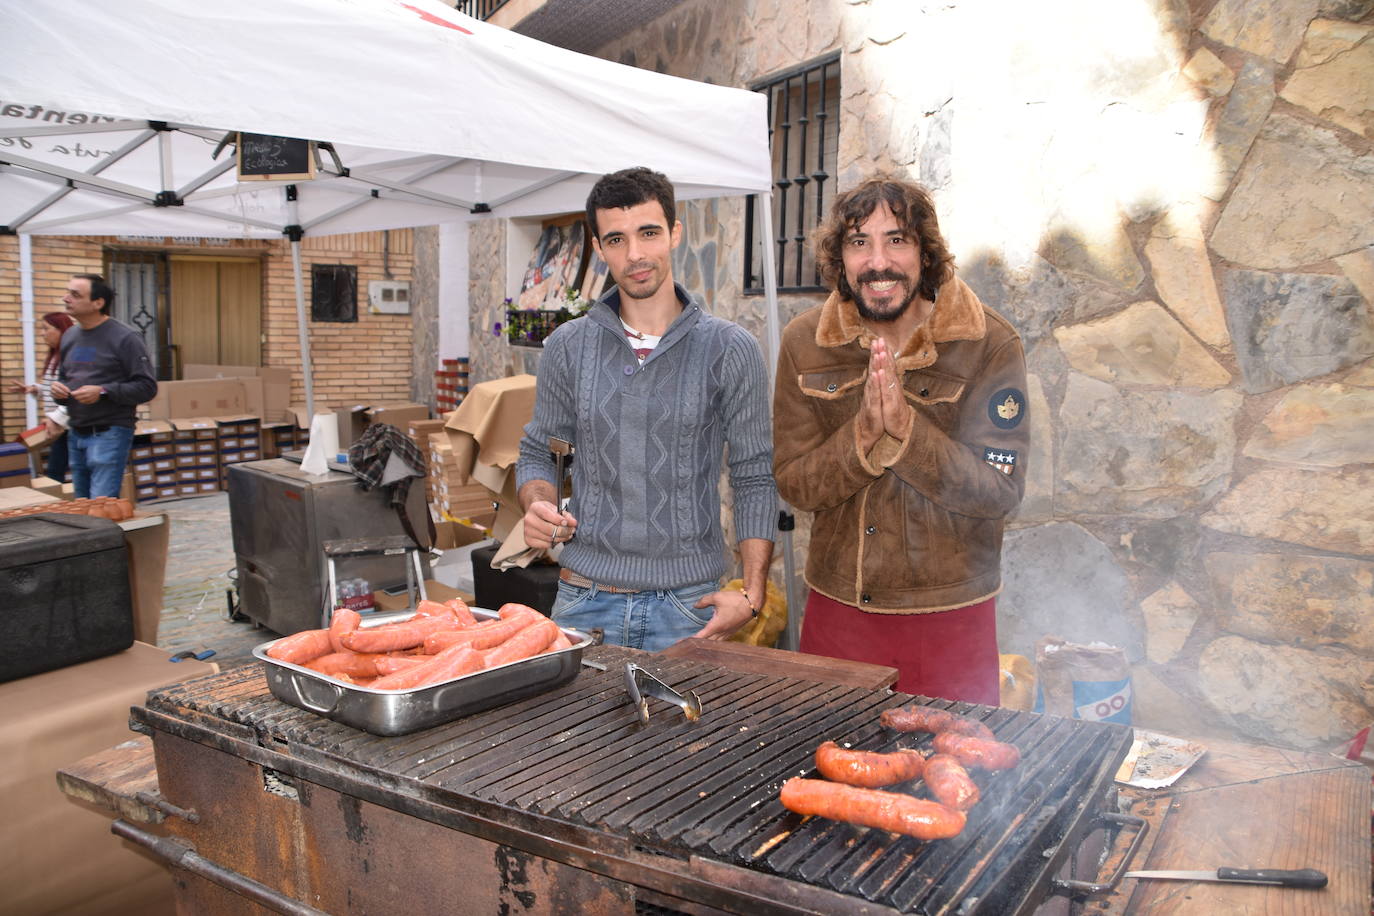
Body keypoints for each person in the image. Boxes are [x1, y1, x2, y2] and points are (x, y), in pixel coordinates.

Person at [772, 176, 1029, 704]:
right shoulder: (805, 343)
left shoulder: (988, 344)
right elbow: (795, 483)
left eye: (897, 240)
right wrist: (860, 440)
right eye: (858, 242)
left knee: (957, 772)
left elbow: (998, 491)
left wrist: (908, 436)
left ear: (925, 252)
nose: (877, 261)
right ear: (840, 258)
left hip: (950, 616)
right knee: (829, 767)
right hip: (839, 611)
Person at [516, 166, 777, 651]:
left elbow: (754, 475)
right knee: (573, 731)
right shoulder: (567, 347)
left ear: (675, 233)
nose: (635, 254)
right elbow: (538, 452)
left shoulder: (731, 348)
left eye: (649, 233)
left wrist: (753, 591)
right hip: (584, 600)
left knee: (692, 731)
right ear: (598, 248)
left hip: (690, 607)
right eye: (616, 239)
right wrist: (536, 503)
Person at [51, 274, 158, 498]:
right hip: (76, 432)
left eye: (75, 295)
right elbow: (65, 378)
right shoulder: (70, 335)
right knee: (82, 503)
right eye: (67, 292)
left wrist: (103, 391)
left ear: (98, 303)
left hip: (110, 433)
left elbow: (147, 387)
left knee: (100, 505)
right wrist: (58, 391)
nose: (66, 298)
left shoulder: (125, 337)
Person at [6, 311, 75, 480]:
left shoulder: (70, 356)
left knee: (56, 471)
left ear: (61, 330)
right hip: (59, 424)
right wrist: (36, 389)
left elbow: (72, 392)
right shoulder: (54, 356)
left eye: (46, 328)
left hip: (68, 424)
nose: (42, 334)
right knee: (56, 470)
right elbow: (56, 388)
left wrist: (57, 418)